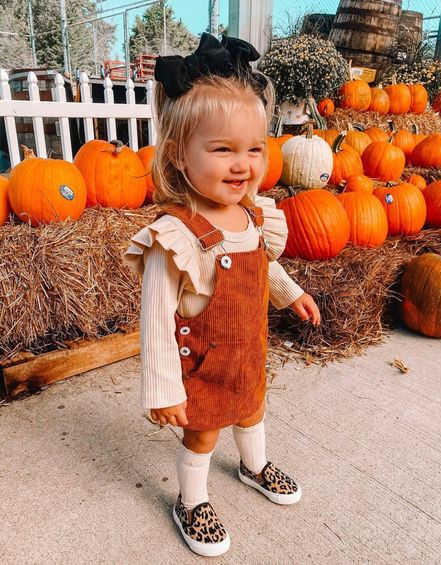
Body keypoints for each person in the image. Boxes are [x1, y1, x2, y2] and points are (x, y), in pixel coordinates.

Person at [123, 33, 320, 557]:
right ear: (178, 155)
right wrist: (162, 389)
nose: (243, 164)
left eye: (254, 148)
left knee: (253, 408)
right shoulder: (176, 234)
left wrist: (290, 292)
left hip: (248, 351)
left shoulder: (254, 214)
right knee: (205, 434)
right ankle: (192, 499)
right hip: (203, 363)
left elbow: (260, 266)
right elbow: (156, 318)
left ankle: (254, 466)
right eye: (223, 149)